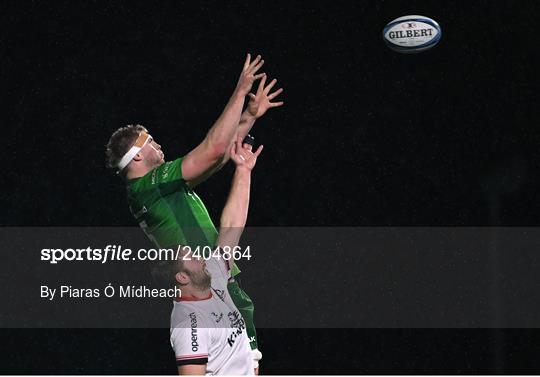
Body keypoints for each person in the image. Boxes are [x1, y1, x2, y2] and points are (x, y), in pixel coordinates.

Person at [105, 54, 283, 371]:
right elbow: (212, 150)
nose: (158, 145)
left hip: (213, 276)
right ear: (135, 158)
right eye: (150, 142)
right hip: (207, 283)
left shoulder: (156, 191)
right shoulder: (149, 186)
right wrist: (240, 92)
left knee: (246, 365)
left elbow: (216, 160)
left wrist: (249, 117)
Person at [160, 137, 262, 375]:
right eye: (192, 258)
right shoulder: (189, 324)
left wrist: (244, 170)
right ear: (182, 278)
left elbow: (231, 227)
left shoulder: (212, 275)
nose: (200, 257)